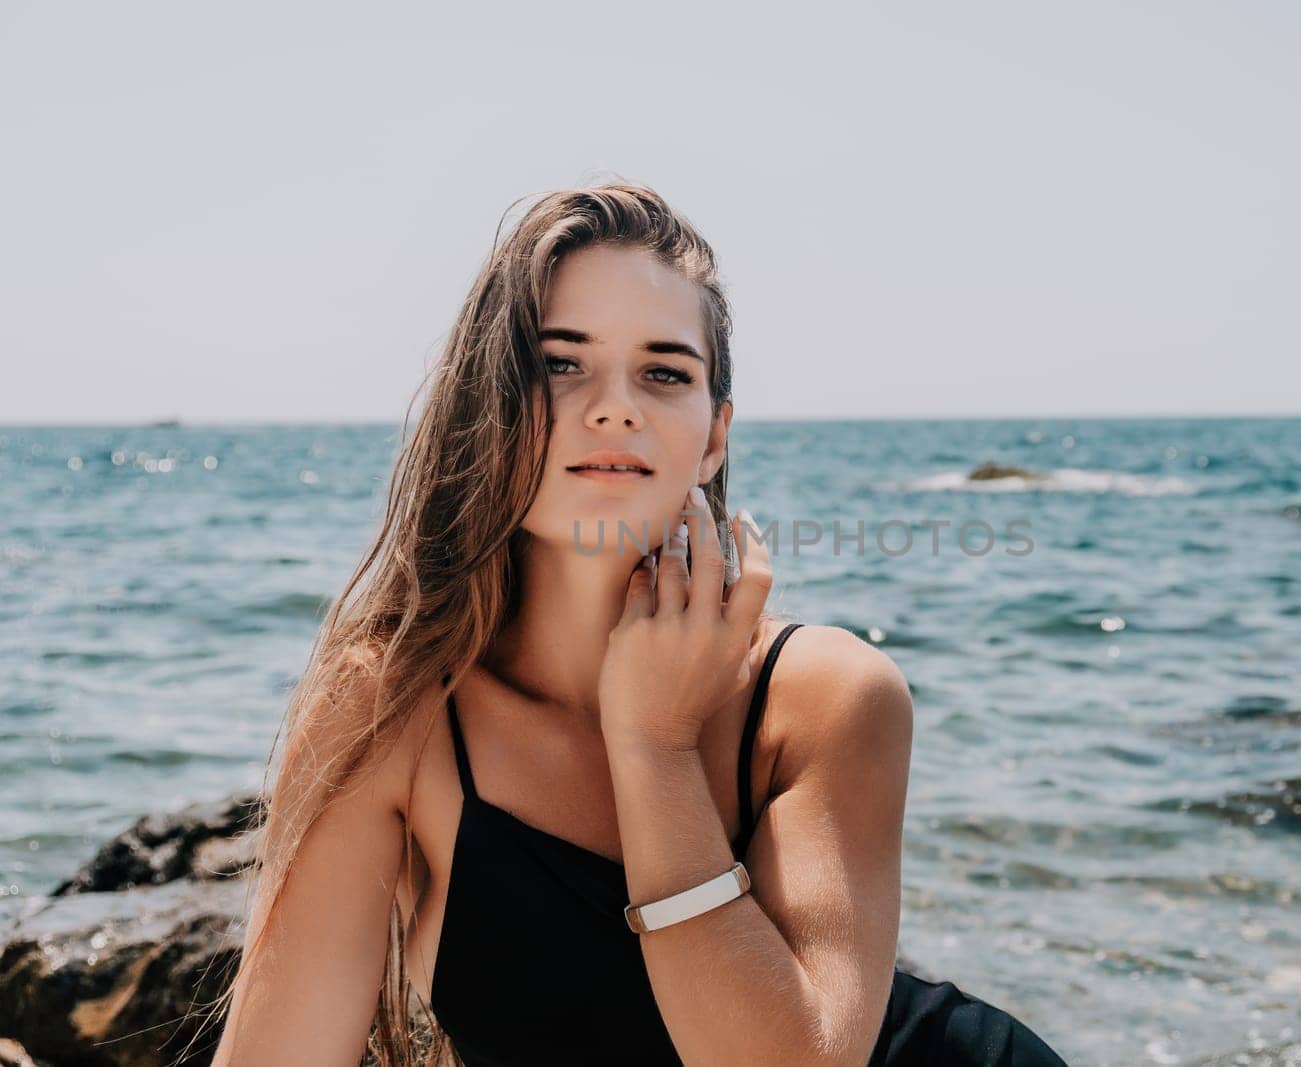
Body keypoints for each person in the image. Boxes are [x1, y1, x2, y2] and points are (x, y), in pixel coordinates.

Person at [204, 182, 1069, 1065]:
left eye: (664, 371)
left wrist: (655, 745)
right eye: (560, 362)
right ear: (484, 404)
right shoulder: (395, 705)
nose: (615, 406)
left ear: (713, 437)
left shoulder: (824, 697)